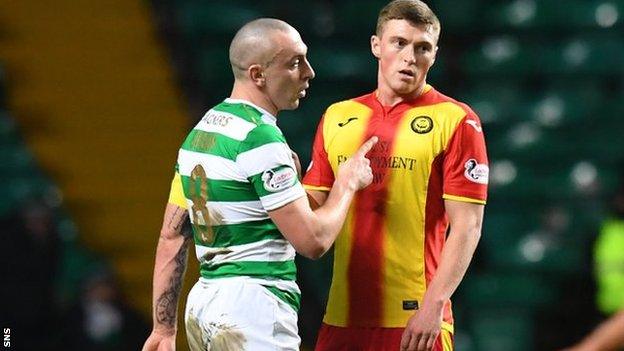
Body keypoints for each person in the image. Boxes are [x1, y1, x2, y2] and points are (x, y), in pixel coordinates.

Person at [142, 18, 377, 351]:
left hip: (205, 304)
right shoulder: (259, 138)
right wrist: (348, 183)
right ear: (257, 75)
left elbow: (173, 234)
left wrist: (163, 328)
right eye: (295, 63)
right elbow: (313, 241)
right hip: (253, 307)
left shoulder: (201, 134)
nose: (309, 72)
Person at [302, 1, 488, 350]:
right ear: (376, 45)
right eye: (399, 43)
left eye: (422, 48)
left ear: (434, 55)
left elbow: (468, 227)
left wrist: (433, 307)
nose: (410, 57)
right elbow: (310, 215)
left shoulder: (457, 120)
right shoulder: (337, 116)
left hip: (415, 322)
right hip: (341, 320)